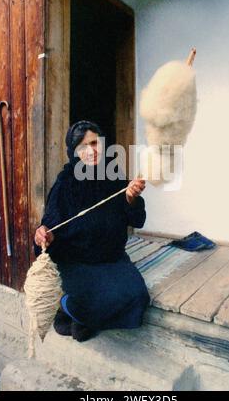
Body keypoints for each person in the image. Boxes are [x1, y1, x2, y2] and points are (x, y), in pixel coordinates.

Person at [34, 120, 150, 342]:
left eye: (95, 143)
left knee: (138, 297)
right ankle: (65, 308)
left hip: (110, 258)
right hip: (75, 260)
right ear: (74, 151)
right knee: (85, 300)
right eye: (83, 146)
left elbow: (137, 219)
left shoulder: (113, 175)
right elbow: (49, 225)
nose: (91, 151)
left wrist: (131, 198)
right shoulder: (65, 182)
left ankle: (80, 320)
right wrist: (44, 233)